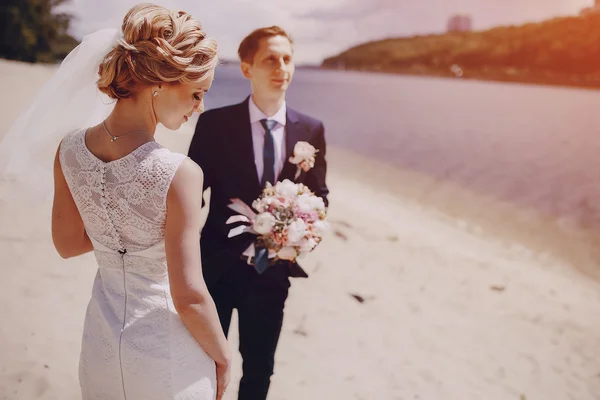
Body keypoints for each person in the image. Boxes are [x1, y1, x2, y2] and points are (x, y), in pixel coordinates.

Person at [37, 4, 231, 399]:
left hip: (102, 347)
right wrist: (225, 358)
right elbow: (189, 296)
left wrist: (114, 219)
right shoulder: (180, 173)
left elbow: (67, 244)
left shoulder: (69, 150)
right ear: (161, 81)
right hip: (167, 355)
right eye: (196, 93)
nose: (199, 107)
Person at [187, 25, 329, 400]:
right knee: (201, 365)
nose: (281, 67)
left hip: (272, 275)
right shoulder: (214, 124)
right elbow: (189, 195)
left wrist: (302, 231)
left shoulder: (311, 130)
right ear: (248, 68)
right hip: (215, 268)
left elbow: (319, 196)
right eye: (270, 59)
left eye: (287, 59)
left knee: (260, 369)